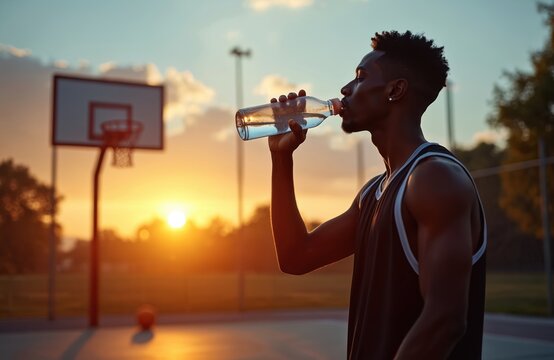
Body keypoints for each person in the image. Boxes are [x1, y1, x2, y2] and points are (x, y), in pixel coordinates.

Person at [268, 30, 487, 359]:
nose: (345, 89)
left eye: (360, 77)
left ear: (395, 90)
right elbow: (296, 257)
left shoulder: (435, 178)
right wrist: (281, 160)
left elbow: (445, 321)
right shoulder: (373, 193)